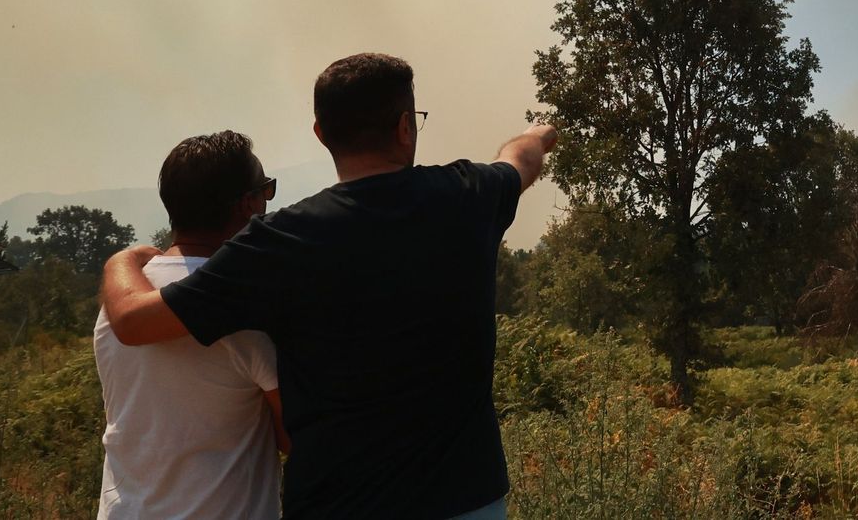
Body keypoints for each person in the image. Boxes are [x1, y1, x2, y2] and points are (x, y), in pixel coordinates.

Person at [101, 53, 555, 520]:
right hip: (468, 500)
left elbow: (134, 322)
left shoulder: (277, 241)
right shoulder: (470, 194)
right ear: (404, 126)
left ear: (320, 133)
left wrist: (123, 259)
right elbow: (520, 158)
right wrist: (539, 132)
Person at [93, 130, 287, 520]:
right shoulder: (245, 309)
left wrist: (122, 259)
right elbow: (294, 434)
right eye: (266, 192)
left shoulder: (120, 299)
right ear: (247, 205)